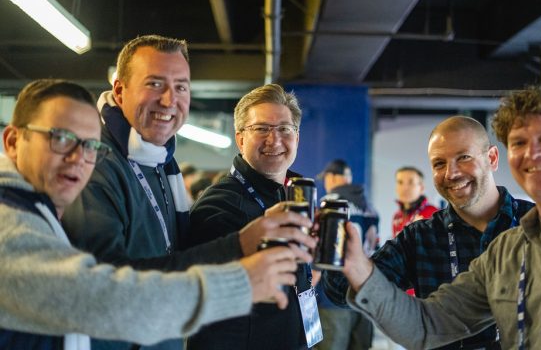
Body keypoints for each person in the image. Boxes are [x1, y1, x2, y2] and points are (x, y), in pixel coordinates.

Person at [0, 79, 302, 349]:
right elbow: (107, 301)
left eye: (90, 145)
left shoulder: (35, 212)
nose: (78, 158)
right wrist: (240, 282)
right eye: (61, 138)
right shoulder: (8, 228)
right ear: (12, 142)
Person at [61, 36, 315, 350]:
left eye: (181, 86)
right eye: (154, 83)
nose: (169, 100)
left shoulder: (160, 164)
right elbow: (104, 285)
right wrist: (239, 248)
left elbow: (169, 262)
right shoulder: (96, 165)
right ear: (119, 90)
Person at [341, 88, 541, 349]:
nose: (532, 153)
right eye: (519, 143)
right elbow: (428, 325)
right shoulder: (506, 251)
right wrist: (355, 266)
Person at [323, 115, 534, 350]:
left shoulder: (537, 225)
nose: (451, 174)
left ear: (492, 158)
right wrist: (333, 250)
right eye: (439, 164)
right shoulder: (419, 238)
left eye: (463, 157)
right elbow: (340, 291)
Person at [186, 83, 320, 350]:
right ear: (240, 138)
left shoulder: (295, 198)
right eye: (261, 129)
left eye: (284, 129)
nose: (275, 140)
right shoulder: (219, 205)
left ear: (297, 138)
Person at [315, 159, 379, 350]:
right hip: (366, 292)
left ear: (334, 178)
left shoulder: (331, 202)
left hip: (334, 294)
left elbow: (323, 251)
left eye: (326, 178)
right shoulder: (369, 206)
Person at [392, 166, 438, 237]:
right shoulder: (396, 217)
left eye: (411, 182)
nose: (405, 188)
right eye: (400, 182)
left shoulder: (434, 214)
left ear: (421, 188)